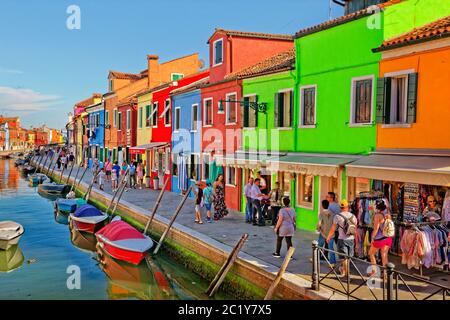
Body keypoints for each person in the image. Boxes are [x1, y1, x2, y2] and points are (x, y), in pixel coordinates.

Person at [326, 199, 357, 277]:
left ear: (340, 207)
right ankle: (345, 271)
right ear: (348, 207)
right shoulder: (353, 216)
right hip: (351, 239)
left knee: (344, 257)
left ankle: (345, 273)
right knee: (348, 257)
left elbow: (333, 228)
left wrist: (328, 237)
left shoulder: (337, 216)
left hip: (342, 239)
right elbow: (355, 228)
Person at [367, 199, 393, 277]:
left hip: (379, 238)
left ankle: (374, 271)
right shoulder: (387, 212)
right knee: (384, 255)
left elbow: (376, 229)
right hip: (388, 237)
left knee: (371, 253)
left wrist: (372, 238)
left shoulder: (378, 215)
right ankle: (385, 274)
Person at [317, 200, 336, 265]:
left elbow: (319, 223)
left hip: (323, 233)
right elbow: (334, 224)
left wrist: (318, 229)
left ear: (322, 205)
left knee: (319, 246)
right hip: (331, 234)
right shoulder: (333, 214)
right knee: (331, 248)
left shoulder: (321, 214)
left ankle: (316, 259)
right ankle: (332, 262)